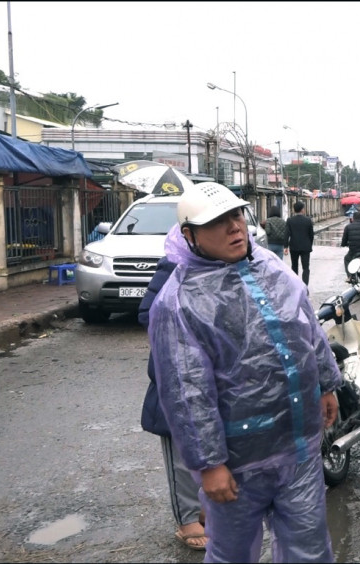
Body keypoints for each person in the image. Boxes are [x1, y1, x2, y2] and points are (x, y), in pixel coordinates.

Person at [146, 182, 341, 563]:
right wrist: (209, 464)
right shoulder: (178, 302)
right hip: (237, 463)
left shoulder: (270, 265)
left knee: (311, 550)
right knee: (231, 555)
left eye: (236, 214)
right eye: (218, 221)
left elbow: (307, 327)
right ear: (190, 235)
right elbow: (187, 392)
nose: (234, 227)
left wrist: (327, 384)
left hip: (297, 446)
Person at [139, 256, 208, 552]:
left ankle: (208, 510)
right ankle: (187, 519)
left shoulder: (236, 266)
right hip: (177, 380)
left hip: (216, 380)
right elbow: (147, 314)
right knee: (181, 453)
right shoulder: (173, 267)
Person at [286, 201, 314, 285]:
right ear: (302, 210)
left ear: (294, 210)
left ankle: (296, 285)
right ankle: (305, 286)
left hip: (294, 246)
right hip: (305, 247)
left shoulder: (290, 220)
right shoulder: (308, 220)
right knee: (306, 267)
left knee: (294, 266)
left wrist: (285, 246)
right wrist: (310, 244)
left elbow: (287, 233)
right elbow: (311, 235)